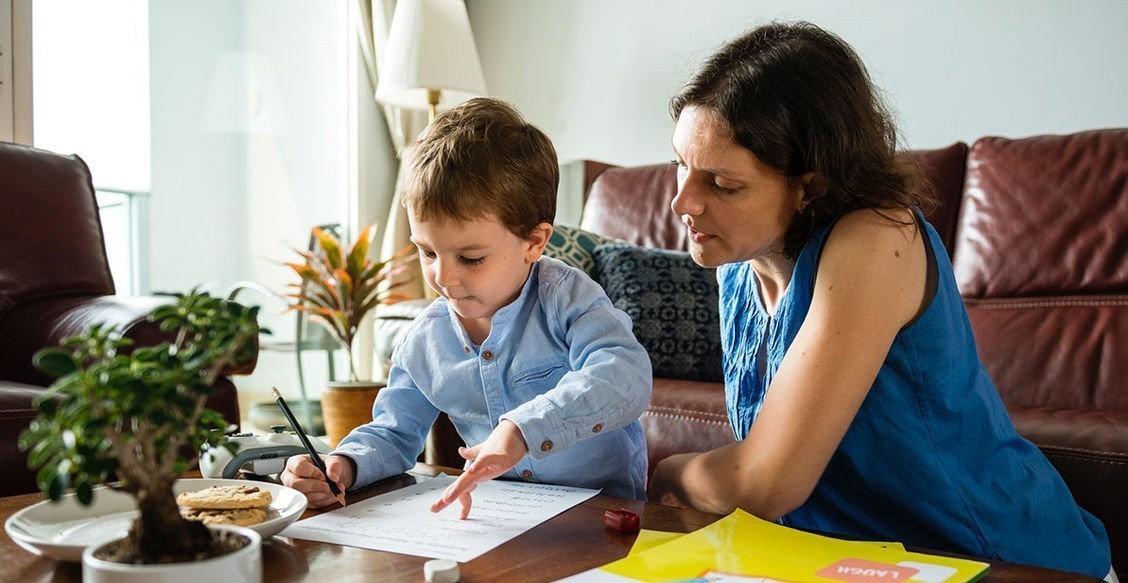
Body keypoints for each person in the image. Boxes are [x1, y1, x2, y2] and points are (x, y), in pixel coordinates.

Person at [645, 21, 1115, 581]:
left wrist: (669, 471)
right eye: (680, 162)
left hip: (999, 558)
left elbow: (766, 482)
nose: (682, 202)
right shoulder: (737, 264)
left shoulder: (877, 237)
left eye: (723, 184)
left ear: (810, 186)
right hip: (853, 564)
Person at [281, 97, 652, 519]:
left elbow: (625, 376)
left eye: (471, 258)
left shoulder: (567, 297)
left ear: (534, 241)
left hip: (603, 514)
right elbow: (393, 432)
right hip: (502, 520)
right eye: (426, 252)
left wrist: (523, 430)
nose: (443, 277)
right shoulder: (424, 340)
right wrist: (342, 464)